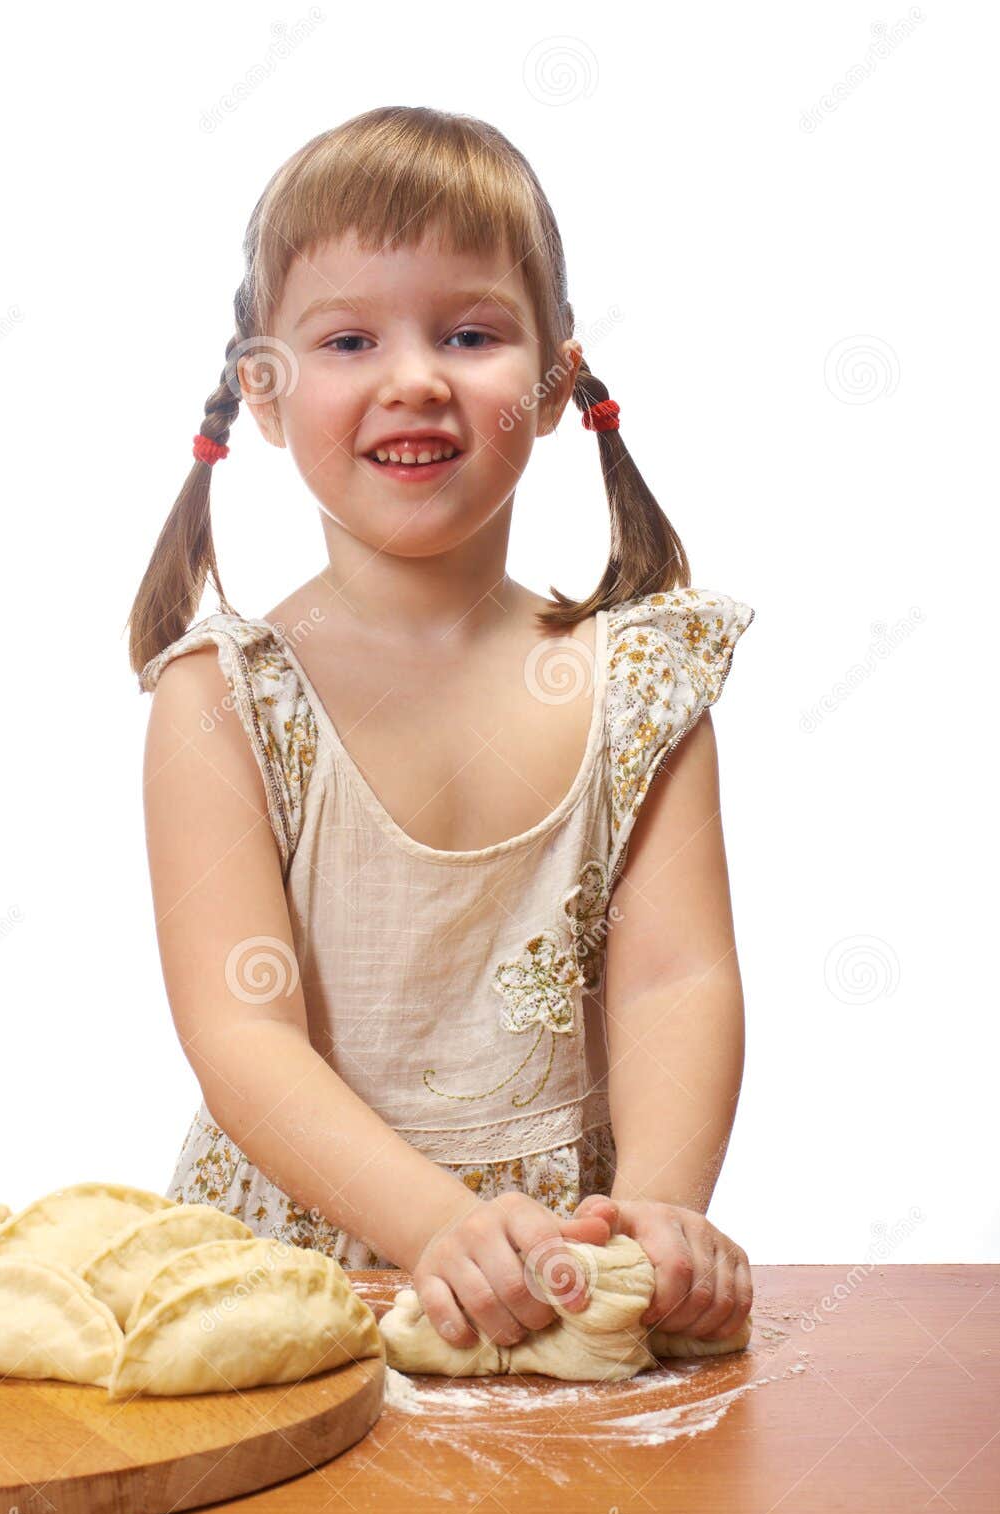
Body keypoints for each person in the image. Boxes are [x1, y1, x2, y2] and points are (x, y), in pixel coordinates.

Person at [125, 105, 755, 1358]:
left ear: (558, 380)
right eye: (350, 338)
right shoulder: (226, 699)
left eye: (468, 334)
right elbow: (241, 1026)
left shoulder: (640, 685)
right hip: (303, 1282)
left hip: (573, 1267)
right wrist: (437, 1228)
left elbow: (675, 978)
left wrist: (658, 1215)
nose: (413, 376)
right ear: (262, 391)